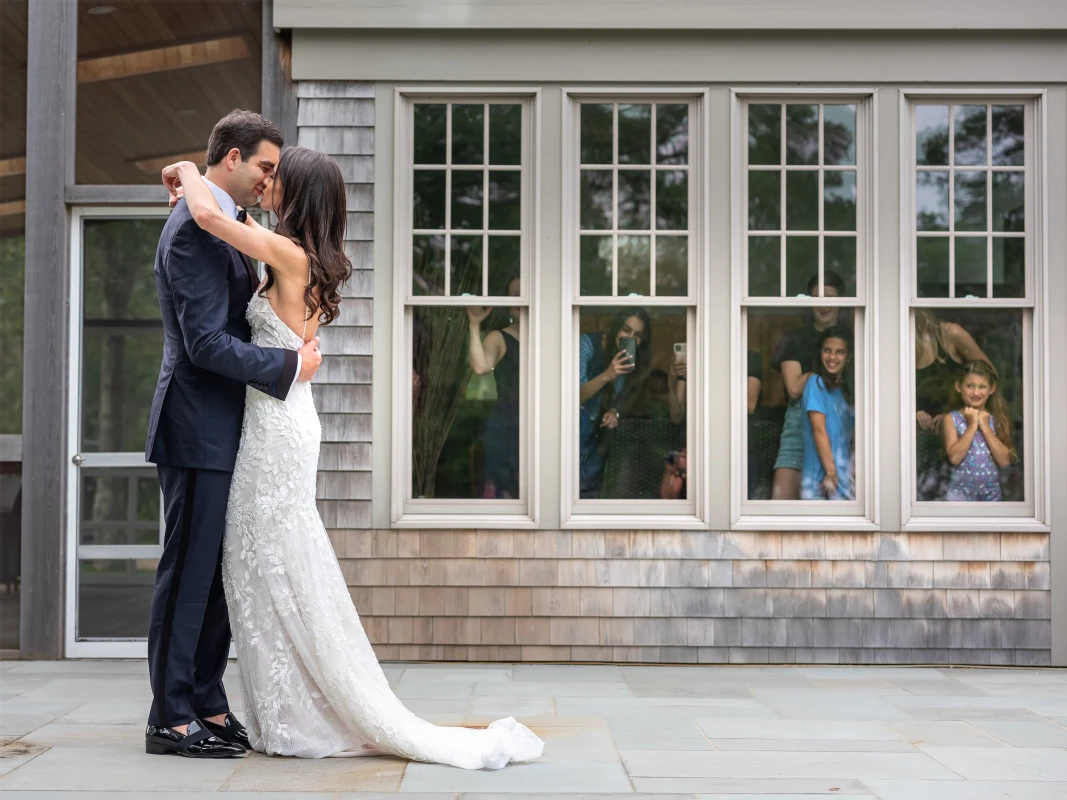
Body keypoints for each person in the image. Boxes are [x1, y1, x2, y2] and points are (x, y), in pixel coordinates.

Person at [156, 115, 543, 769]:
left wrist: (192, 169)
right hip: (282, 417)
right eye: (266, 170)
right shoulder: (292, 254)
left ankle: (282, 703)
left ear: (296, 194)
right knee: (267, 564)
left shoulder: (285, 253)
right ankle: (251, 701)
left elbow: (209, 216)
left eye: (279, 177)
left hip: (276, 426)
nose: (268, 183)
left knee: (270, 562)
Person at [144, 110, 320, 760]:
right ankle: (170, 715)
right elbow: (205, 343)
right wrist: (288, 366)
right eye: (264, 168)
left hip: (233, 430)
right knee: (187, 575)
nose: (267, 183)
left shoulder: (224, 221)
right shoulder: (192, 228)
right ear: (233, 157)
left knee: (217, 576)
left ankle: (206, 701)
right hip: (195, 426)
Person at [769, 271, 845, 500]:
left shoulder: (852, 337)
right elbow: (793, 388)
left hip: (839, 422)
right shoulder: (794, 338)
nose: (823, 305)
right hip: (798, 424)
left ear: (842, 302)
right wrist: (826, 373)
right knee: (781, 505)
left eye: (830, 298)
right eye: (817, 298)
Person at [913, 308, 991, 499]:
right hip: (917, 443)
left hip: (960, 433)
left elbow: (989, 380)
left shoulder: (949, 334)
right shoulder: (892, 335)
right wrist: (910, 412)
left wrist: (957, 414)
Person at [577, 308, 652, 498]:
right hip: (575, 430)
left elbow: (632, 397)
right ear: (615, 327)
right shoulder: (587, 344)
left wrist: (616, 412)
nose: (630, 338)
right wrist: (608, 374)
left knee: (588, 494)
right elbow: (573, 397)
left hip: (599, 435)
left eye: (637, 335)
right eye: (626, 330)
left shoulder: (634, 359)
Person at [467, 277, 521, 499]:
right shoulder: (499, 337)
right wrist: (474, 324)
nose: (520, 300)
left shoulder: (555, 336)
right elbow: (480, 367)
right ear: (509, 302)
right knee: (506, 490)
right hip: (507, 424)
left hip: (542, 424)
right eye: (515, 294)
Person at [942, 360, 1015, 501]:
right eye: (970, 386)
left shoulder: (997, 419)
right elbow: (955, 458)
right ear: (958, 387)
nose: (976, 392)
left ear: (991, 389)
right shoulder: (952, 419)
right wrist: (972, 426)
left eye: (982, 387)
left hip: (991, 495)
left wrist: (986, 427)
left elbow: (1005, 461)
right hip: (959, 495)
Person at [800, 326, 855, 501]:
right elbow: (819, 430)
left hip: (844, 480)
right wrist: (831, 472)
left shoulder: (847, 391)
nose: (832, 357)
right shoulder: (815, 383)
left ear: (848, 357)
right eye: (827, 351)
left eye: (840, 352)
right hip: (820, 480)